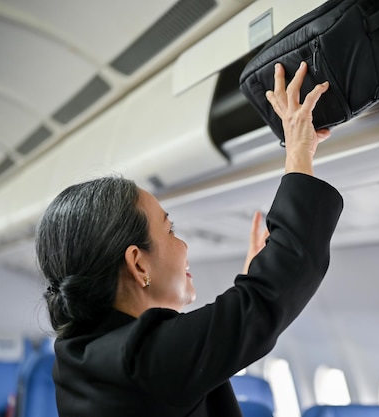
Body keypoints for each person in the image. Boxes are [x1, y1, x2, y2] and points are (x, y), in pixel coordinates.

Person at [36, 61, 343, 417]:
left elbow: (194, 354)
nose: (183, 246)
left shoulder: (78, 357)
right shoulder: (141, 363)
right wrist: (299, 151)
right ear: (138, 263)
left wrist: (247, 285)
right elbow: (265, 301)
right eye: (170, 230)